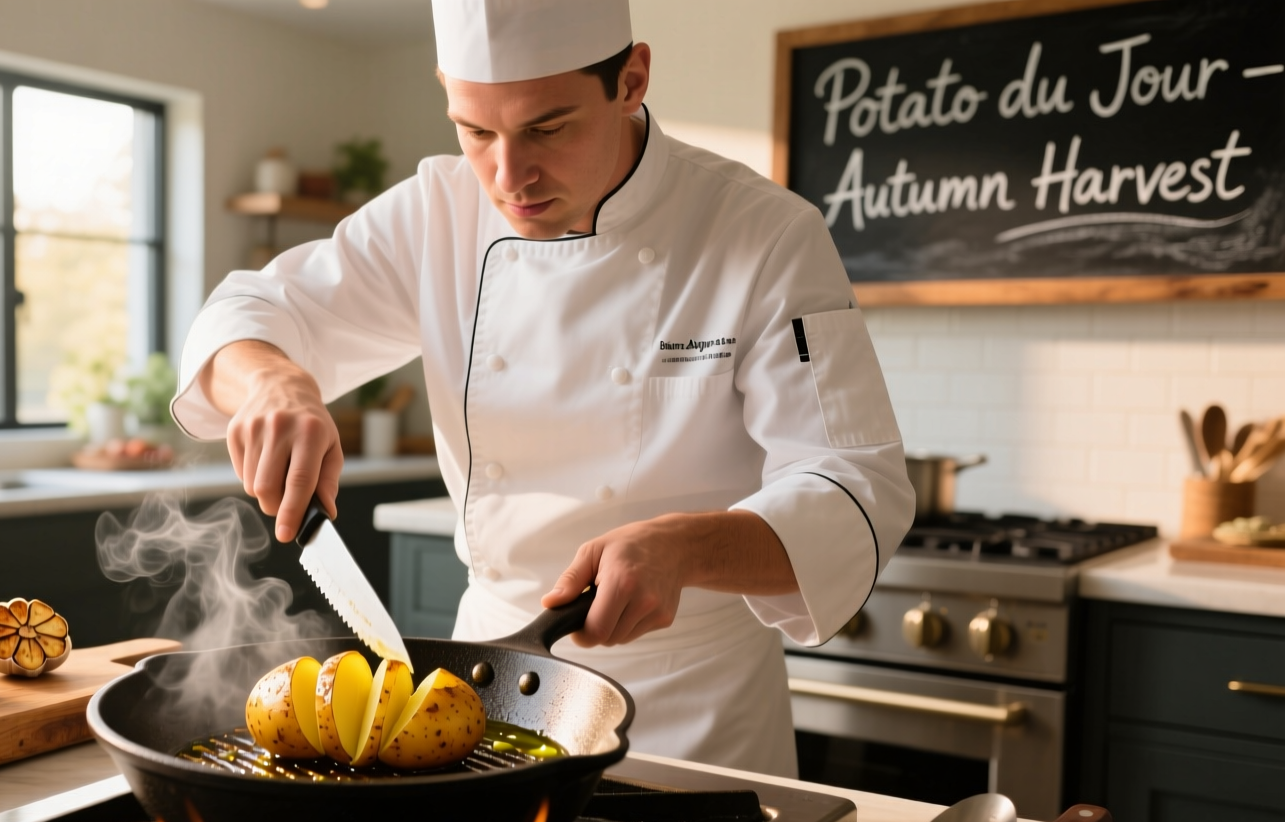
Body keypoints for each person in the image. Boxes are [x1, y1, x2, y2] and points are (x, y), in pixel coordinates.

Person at [171, 0, 914, 775]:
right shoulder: (436, 213)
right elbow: (243, 312)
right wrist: (274, 383)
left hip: (696, 720)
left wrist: (684, 547)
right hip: (483, 698)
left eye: (547, 129)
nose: (507, 175)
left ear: (631, 80)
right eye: (476, 131)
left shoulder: (763, 235)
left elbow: (855, 487)